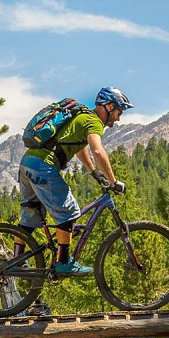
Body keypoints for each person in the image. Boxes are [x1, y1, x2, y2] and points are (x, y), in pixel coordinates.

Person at [16, 86, 131, 276]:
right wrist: (113, 180)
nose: (118, 118)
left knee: (31, 214)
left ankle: (17, 259)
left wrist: (94, 172)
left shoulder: (82, 117)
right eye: (119, 111)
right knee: (69, 211)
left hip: (28, 163)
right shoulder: (93, 121)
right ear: (109, 106)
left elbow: (79, 148)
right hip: (44, 166)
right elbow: (98, 151)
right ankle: (63, 262)